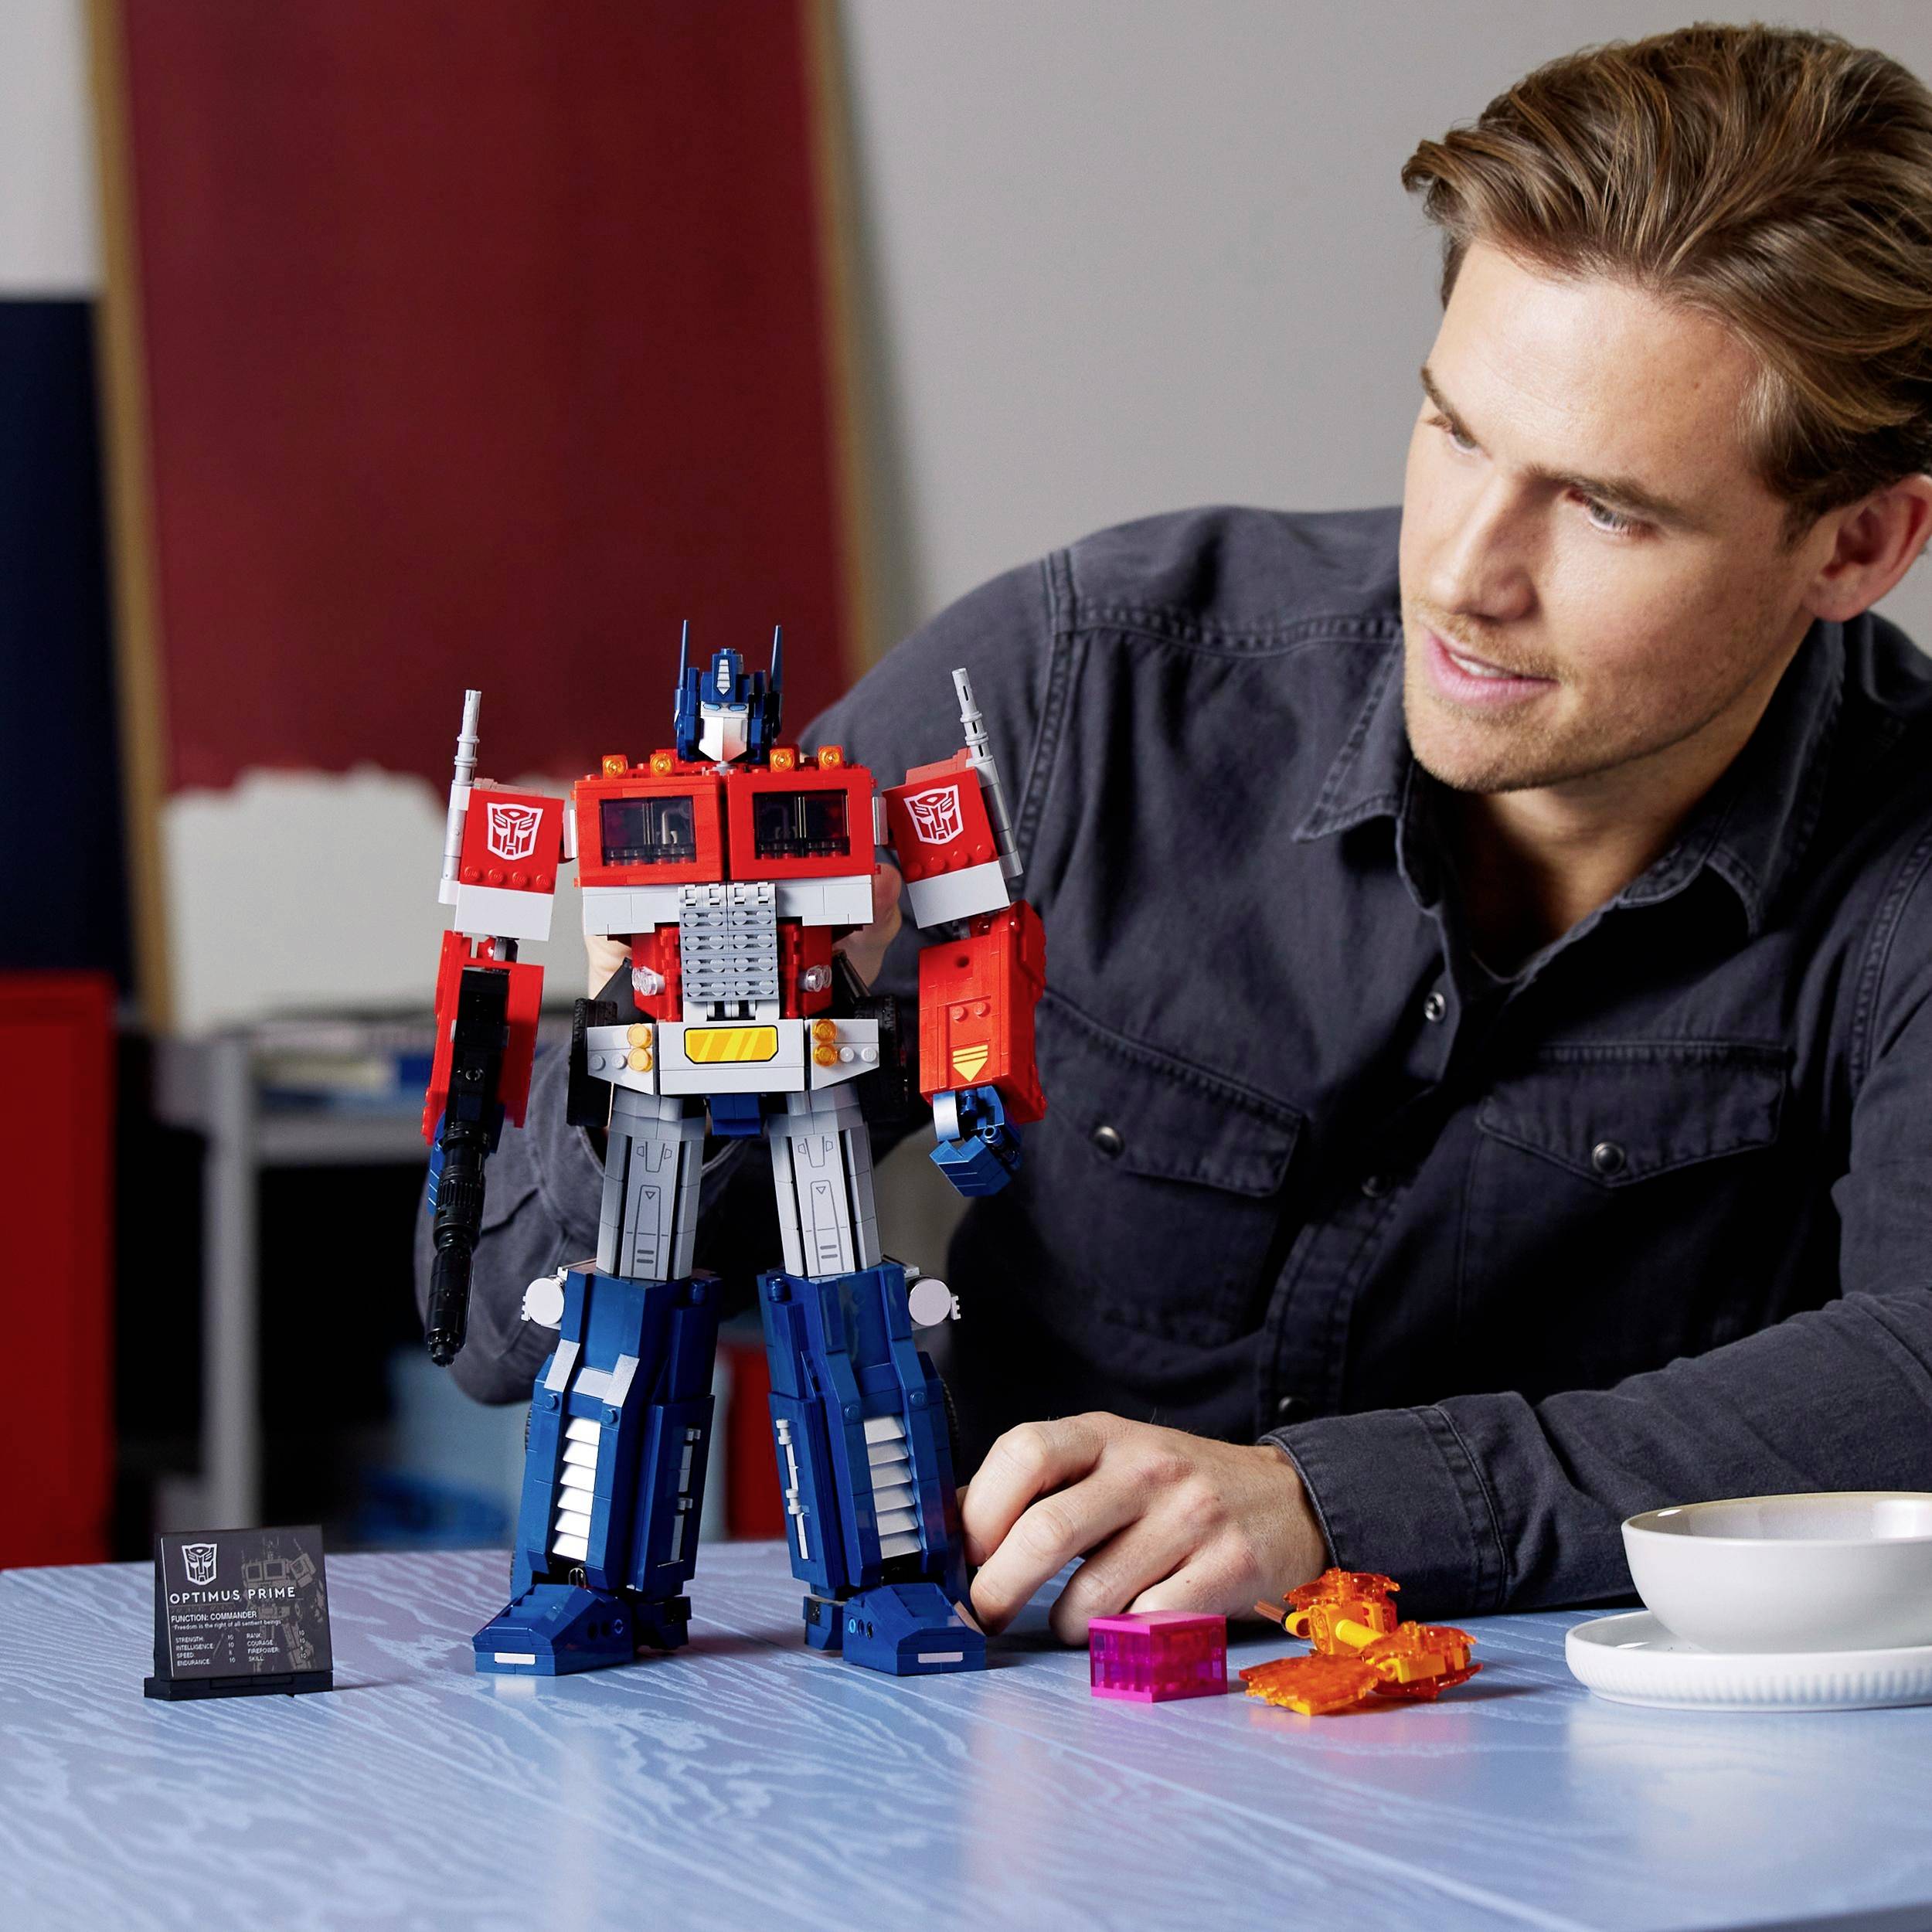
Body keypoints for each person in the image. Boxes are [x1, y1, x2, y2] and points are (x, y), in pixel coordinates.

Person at [420, 22, 1932, 1640]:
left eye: (1604, 507)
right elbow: (500, 1333)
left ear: (1853, 544)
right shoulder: (1072, 694)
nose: (1463, 573)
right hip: (1012, 1755)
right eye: (1453, 432)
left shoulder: (1902, 861)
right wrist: (685, 1021)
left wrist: (1333, 1505)